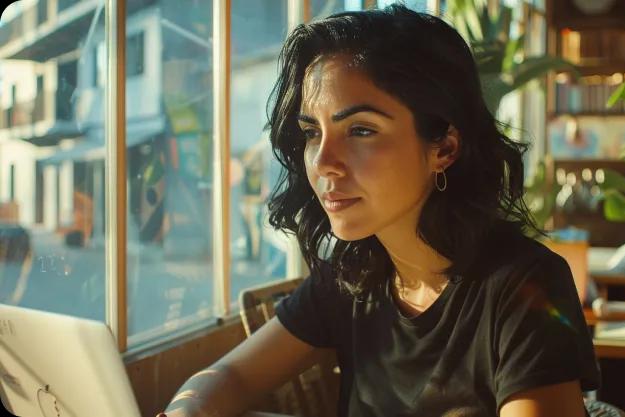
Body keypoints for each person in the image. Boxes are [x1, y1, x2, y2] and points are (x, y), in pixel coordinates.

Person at [159, 5, 600, 417]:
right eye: (313, 133)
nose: (324, 162)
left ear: (444, 147)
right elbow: (229, 376)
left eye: (361, 130)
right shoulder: (349, 278)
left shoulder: (525, 288)